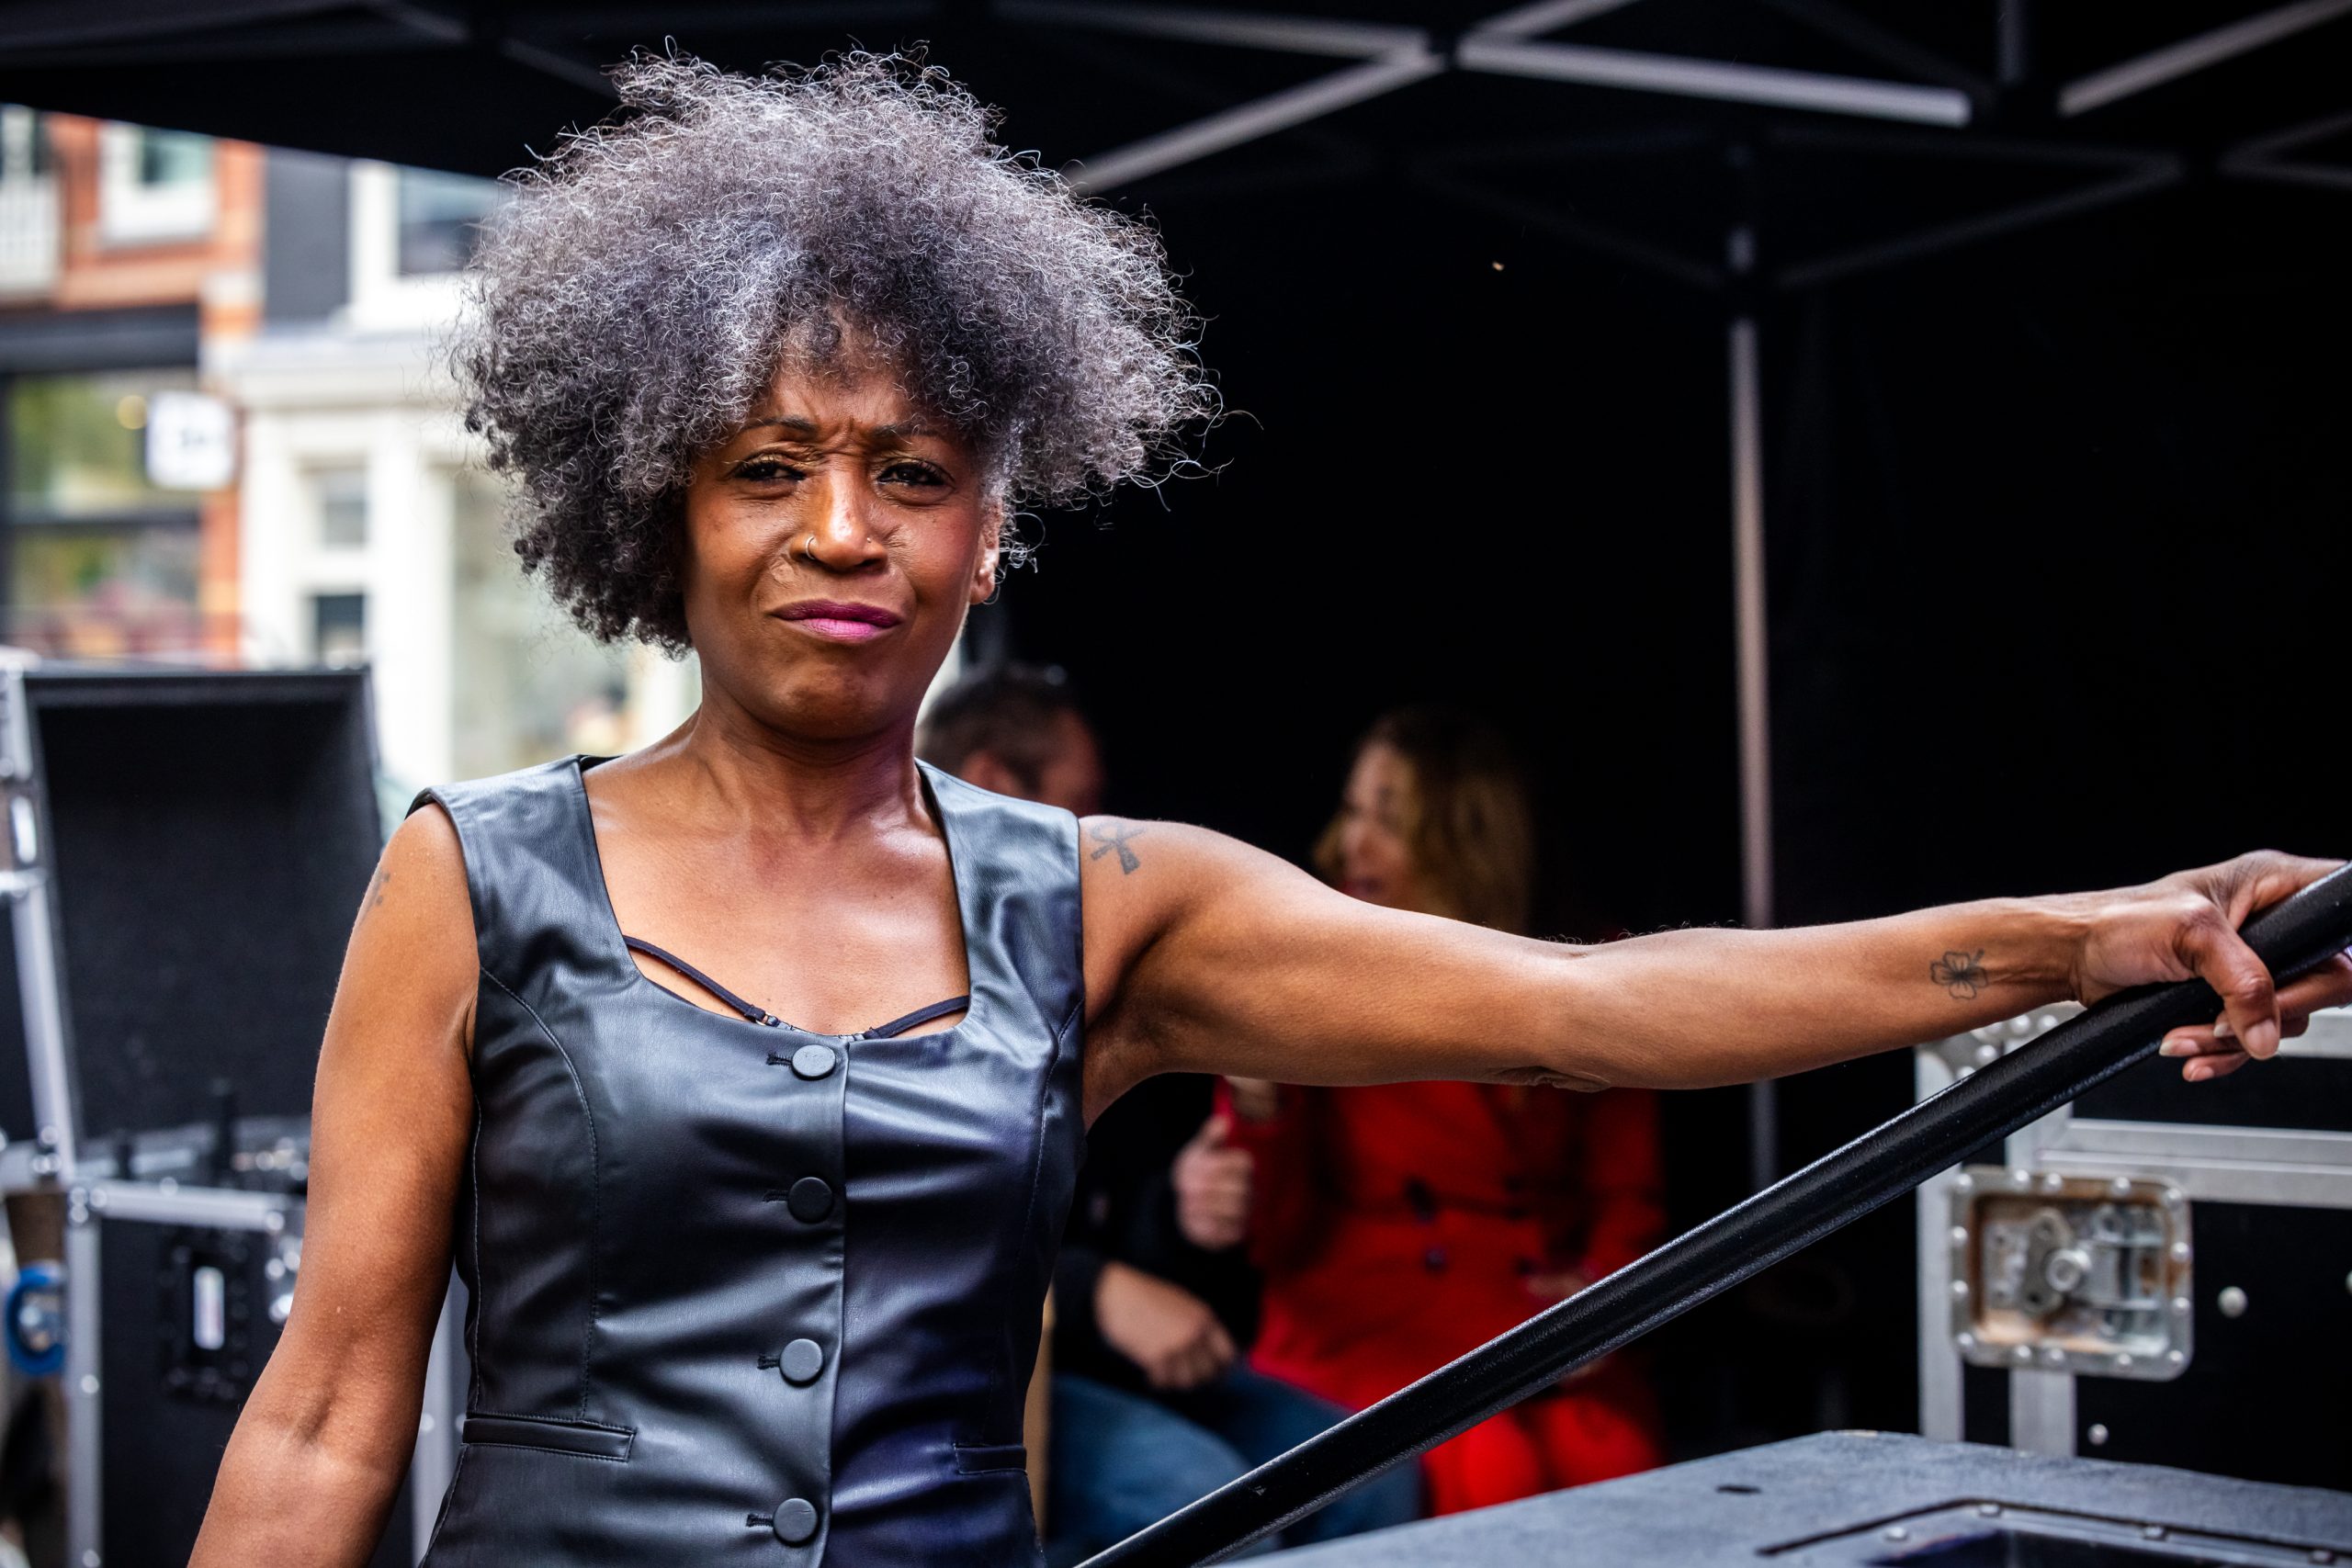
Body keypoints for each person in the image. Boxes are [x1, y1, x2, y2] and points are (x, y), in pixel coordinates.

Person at [186, 52, 2350, 1568]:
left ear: (988, 526)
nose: (841, 527)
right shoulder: (473, 877)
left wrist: (2088, 933)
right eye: (768, 466)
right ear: (655, 508)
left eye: (911, 472)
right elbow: (323, 1413)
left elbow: (1590, 1006)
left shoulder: (1101, 908)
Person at [919, 667, 1420, 1562]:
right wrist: (1095, 1293)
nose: (1107, 833)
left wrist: (1180, 1207)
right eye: (1085, 803)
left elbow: (1114, 1208)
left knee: (1378, 1473)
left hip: (1103, 1361)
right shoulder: (906, 963)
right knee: (1203, 1499)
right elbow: (904, 1231)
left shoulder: (1084, 958)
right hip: (973, 1376)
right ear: (995, 785)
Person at [1226, 708, 1665, 1515]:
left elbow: (1627, 1189)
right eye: (1352, 810)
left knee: (1615, 1461)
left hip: (1538, 1316)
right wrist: (1258, 1109)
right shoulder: (1307, 960)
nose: (1351, 844)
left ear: (1466, 841)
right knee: (1491, 1468)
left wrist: (1605, 1293)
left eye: (1389, 822)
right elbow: (1274, 1231)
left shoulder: (1578, 964)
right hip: (1375, 1319)